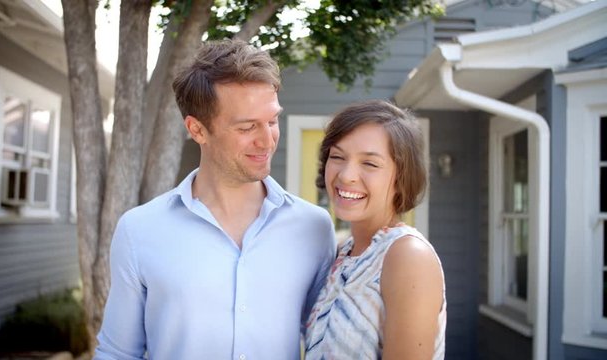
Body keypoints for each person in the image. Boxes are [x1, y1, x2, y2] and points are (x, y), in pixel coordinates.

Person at [94, 39, 336, 360]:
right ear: (197, 129)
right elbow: (117, 353)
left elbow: (329, 344)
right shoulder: (139, 230)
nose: (266, 140)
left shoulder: (314, 228)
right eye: (247, 126)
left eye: (273, 121)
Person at [304, 100, 446, 360]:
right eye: (337, 157)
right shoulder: (344, 253)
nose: (346, 175)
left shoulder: (407, 256)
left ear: (401, 178)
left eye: (369, 164)